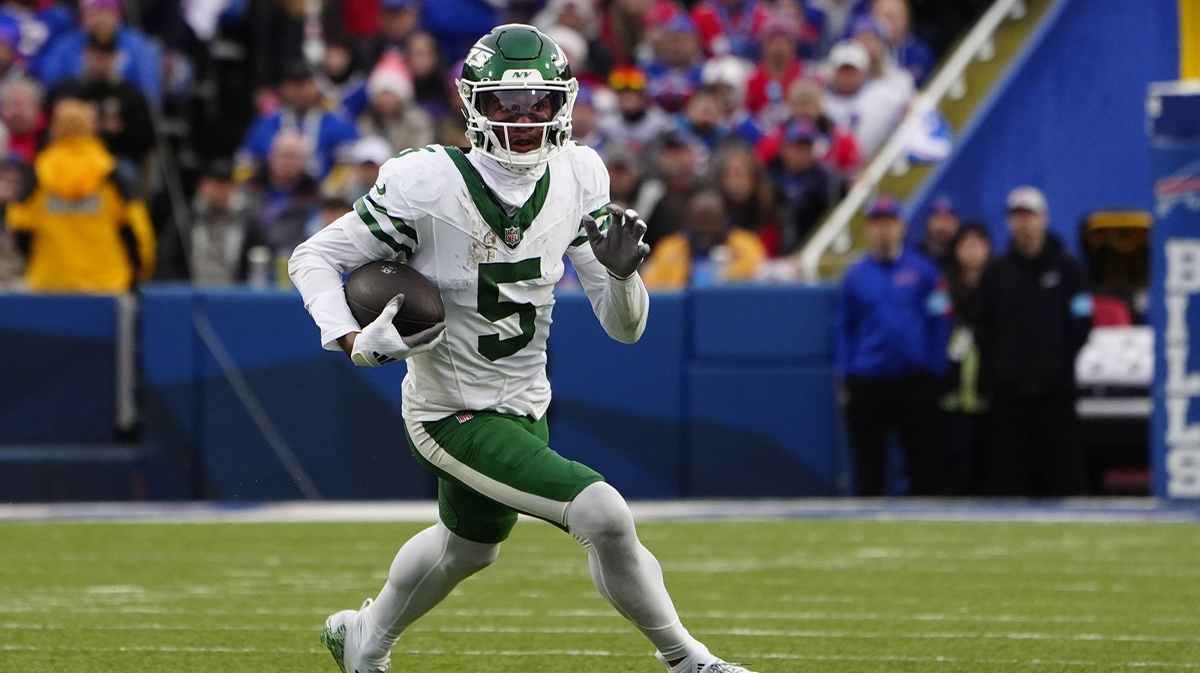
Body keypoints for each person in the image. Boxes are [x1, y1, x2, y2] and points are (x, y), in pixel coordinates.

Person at [288, 25, 758, 673]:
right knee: (604, 512)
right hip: (448, 412)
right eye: (505, 105)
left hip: (524, 401)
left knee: (468, 547)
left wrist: (622, 276)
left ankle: (363, 639)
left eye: (538, 103)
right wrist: (348, 339)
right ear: (473, 105)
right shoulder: (428, 181)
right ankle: (689, 660)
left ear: (562, 102)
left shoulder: (579, 174)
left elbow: (625, 328)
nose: (524, 120)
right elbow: (314, 256)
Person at [975, 186, 1093, 496]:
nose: (1023, 224)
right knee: (1008, 474)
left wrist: (1057, 367)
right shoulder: (996, 273)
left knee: (1062, 471)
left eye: (1029, 216)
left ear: (1044, 218)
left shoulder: (1069, 269)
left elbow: (1081, 323)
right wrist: (1002, 368)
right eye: (1016, 217)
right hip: (1008, 395)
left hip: (1055, 393)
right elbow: (981, 325)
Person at [832, 194, 950, 496]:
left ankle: (922, 520)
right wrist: (847, 372)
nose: (883, 230)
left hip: (914, 378)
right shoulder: (855, 276)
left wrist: (935, 366)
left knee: (921, 460)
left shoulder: (923, 271)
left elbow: (940, 318)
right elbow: (842, 328)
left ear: (902, 227)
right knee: (868, 461)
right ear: (869, 229)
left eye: (889, 223)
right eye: (877, 223)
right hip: (868, 379)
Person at [6, 98, 154, 292]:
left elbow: (19, 226)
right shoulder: (110, 173)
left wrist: (33, 261)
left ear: (55, 129)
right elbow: (136, 228)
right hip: (107, 283)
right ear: (92, 128)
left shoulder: (40, 174)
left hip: (51, 282)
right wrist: (142, 269)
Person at [46, 31, 154, 171]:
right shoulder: (65, 90)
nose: (99, 60)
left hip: (113, 159)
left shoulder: (129, 95)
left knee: (124, 171)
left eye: (105, 55)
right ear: (85, 54)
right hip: (67, 156)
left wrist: (121, 130)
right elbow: (46, 125)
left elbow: (145, 139)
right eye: (95, 54)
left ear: (115, 57)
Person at [237, 60, 359, 180]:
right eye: (293, 85)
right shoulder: (265, 123)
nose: (299, 91)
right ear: (283, 88)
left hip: (321, 196)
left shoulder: (338, 124)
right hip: (271, 195)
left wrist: (328, 192)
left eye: (304, 85)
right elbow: (245, 165)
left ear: (316, 86)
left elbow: (350, 168)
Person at [939, 222, 991, 495]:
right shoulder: (945, 286)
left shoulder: (998, 284)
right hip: (952, 389)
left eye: (977, 244)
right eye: (965, 244)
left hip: (989, 389)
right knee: (955, 456)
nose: (971, 252)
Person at [37, 0, 162, 104]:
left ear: (118, 15)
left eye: (106, 12)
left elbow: (150, 95)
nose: (100, 19)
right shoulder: (64, 46)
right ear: (82, 16)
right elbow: (50, 85)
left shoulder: (140, 47)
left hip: (124, 112)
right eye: (94, 13)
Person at [160, 160, 263, 284]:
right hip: (193, 295)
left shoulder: (248, 221)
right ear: (201, 186)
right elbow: (167, 262)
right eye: (215, 184)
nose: (220, 190)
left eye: (226, 185)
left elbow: (259, 259)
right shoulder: (185, 220)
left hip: (235, 296)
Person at [642, 188, 766, 289]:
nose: (705, 227)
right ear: (689, 220)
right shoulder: (668, 248)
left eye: (711, 219)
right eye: (700, 220)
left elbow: (759, 279)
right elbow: (651, 288)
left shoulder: (746, 243)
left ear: (723, 219)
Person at [240, 129, 320, 263]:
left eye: (294, 156)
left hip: (293, 262)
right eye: (283, 155)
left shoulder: (314, 197)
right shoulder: (250, 189)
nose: (287, 162)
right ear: (271, 156)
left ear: (304, 161)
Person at [821, 39, 904, 157]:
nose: (847, 76)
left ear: (863, 72)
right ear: (833, 72)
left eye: (852, 71)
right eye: (843, 70)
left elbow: (910, 105)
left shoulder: (881, 96)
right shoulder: (821, 102)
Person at [767, 119, 839, 254]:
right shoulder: (771, 172)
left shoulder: (822, 178)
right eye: (796, 147)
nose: (800, 153)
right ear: (784, 148)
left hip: (810, 245)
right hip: (773, 248)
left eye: (806, 148)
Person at [357, 52, 435, 154]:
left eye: (391, 94)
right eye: (383, 94)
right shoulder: (367, 122)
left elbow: (422, 153)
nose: (386, 100)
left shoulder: (418, 123)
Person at [871, 0, 934, 87]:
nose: (890, 23)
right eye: (886, 17)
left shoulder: (920, 52)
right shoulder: (869, 53)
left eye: (895, 17)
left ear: (906, 18)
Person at [1, 77, 45, 164]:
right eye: (11, 105)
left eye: (22, 105)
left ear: (36, 108)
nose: (17, 112)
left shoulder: (49, 134)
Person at [920, 196, 959, 271]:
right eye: (938, 219)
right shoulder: (917, 256)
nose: (942, 225)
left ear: (956, 223)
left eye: (947, 219)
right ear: (928, 222)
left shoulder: (962, 261)